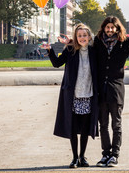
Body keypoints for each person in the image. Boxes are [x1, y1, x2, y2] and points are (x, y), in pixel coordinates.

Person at [40, 23, 99, 168]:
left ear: (89, 37)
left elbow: (104, 64)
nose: (82, 38)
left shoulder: (94, 51)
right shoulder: (70, 50)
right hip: (72, 95)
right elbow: (57, 63)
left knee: (85, 128)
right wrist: (49, 50)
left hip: (88, 95)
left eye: (84, 35)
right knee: (72, 127)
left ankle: (82, 157)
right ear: (75, 37)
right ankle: (74, 158)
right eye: (79, 36)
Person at [94, 16, 129, 167]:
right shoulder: (97, 41)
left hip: (116, 88)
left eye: (112, 27)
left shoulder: (124, 41)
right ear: (104, 28)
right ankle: (105, 154)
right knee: (103, 125)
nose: (110, 30)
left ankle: (114, 155)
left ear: (117, 28)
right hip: (100, 89)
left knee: (116, 125)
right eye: (107, 27)